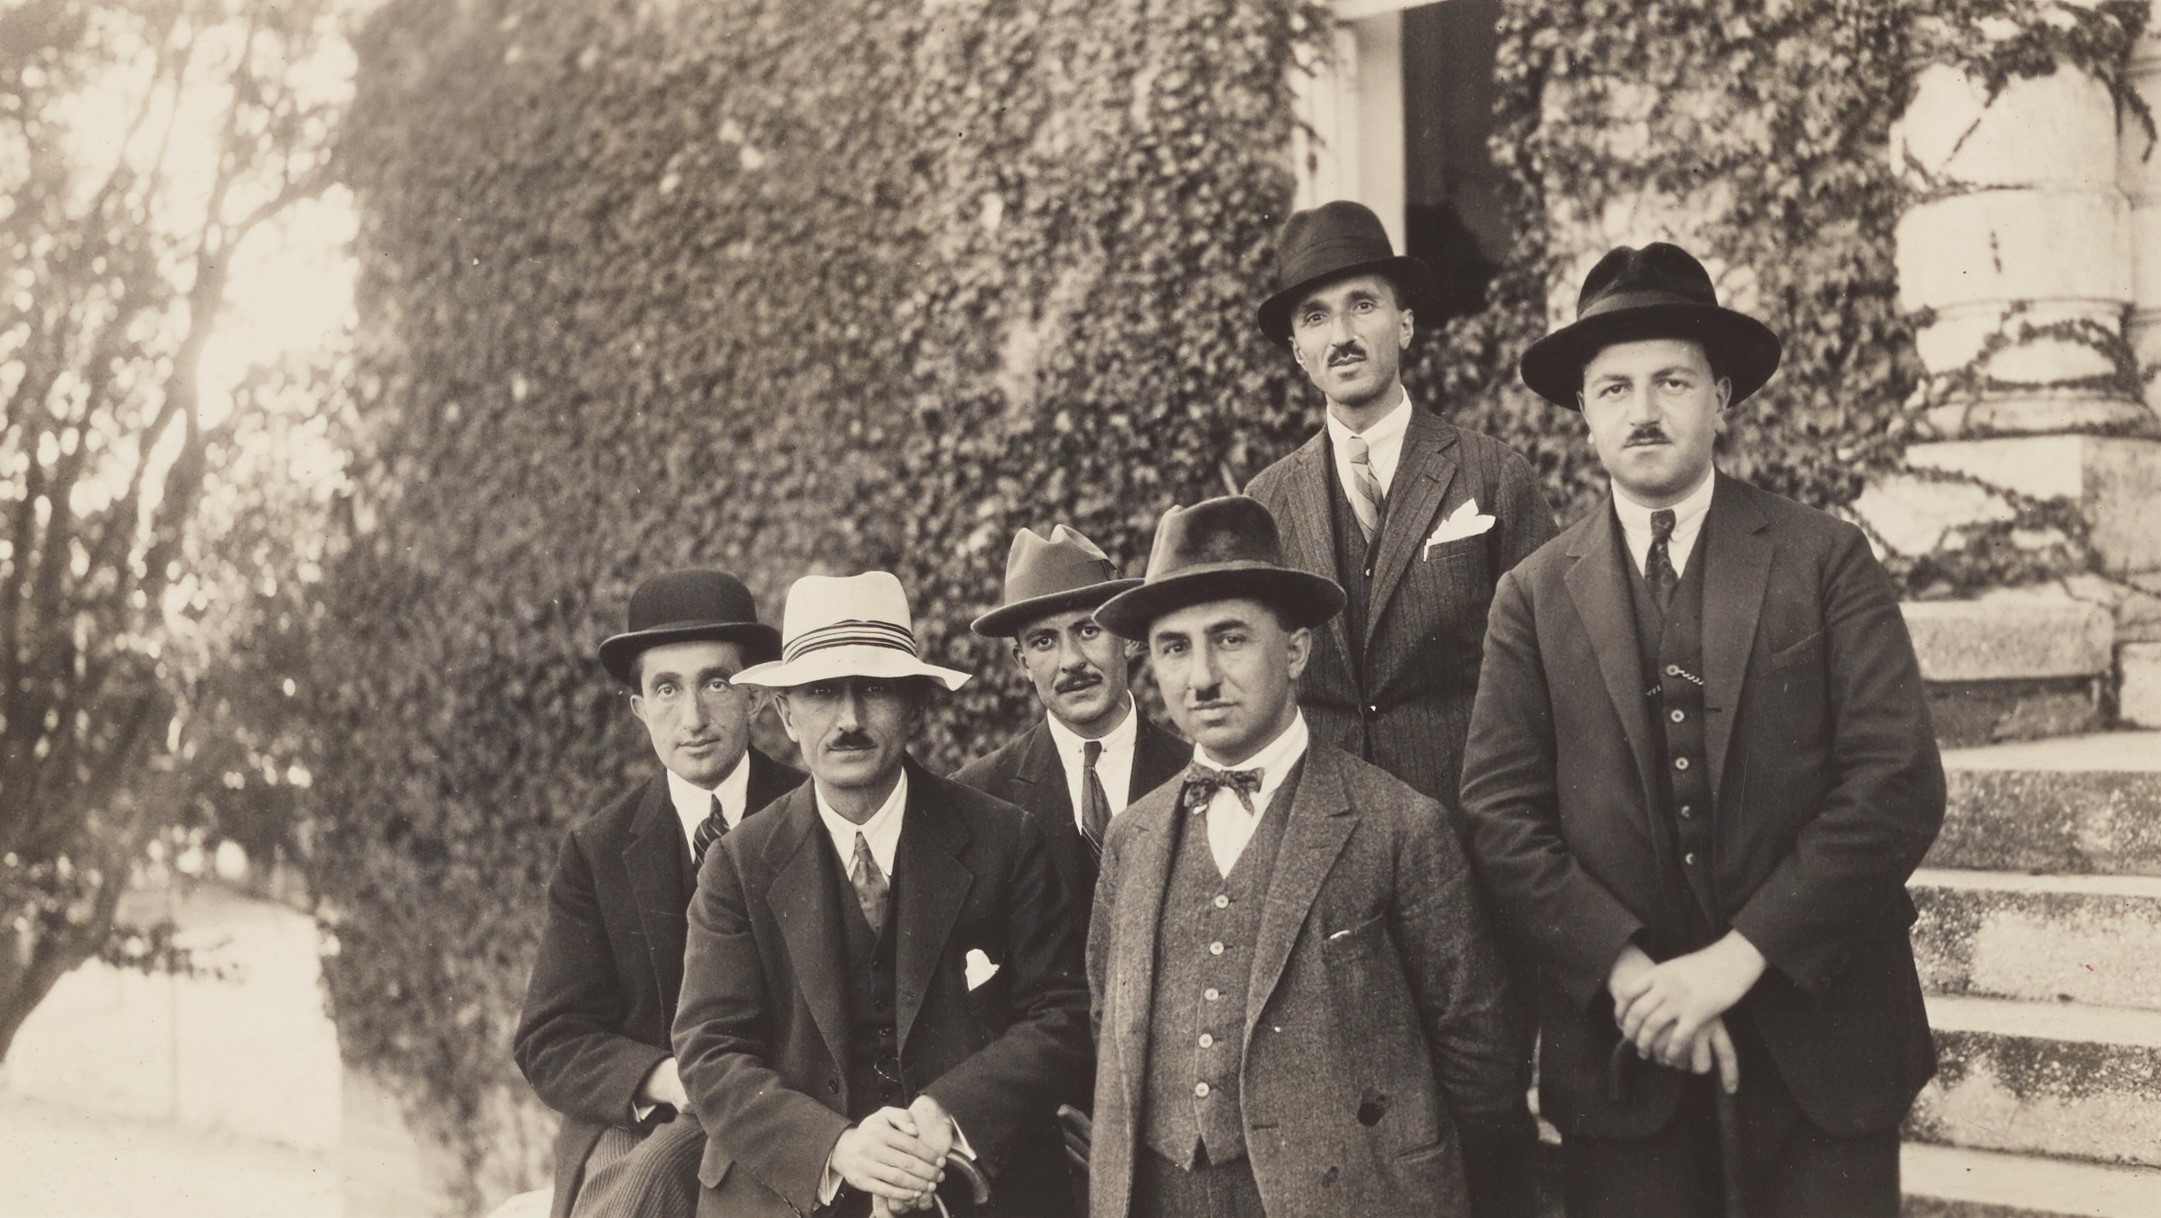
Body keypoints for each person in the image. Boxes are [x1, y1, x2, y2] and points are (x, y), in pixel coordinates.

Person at [1460, 243, 1946, 1218]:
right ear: (1584, 413)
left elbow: (1895, 783)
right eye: (1614, 388)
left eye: (1671, 380)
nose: (1643, 409)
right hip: (1626, 1047)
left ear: (1720, 397)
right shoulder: (1532, 595)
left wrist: (1731, 966)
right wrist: (1637, 978)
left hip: (1822, 1041)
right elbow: (1500, 817)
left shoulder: (1824, 558)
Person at [1084, 496, 1532, 1218]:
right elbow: (1109, 1023)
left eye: (1229, 639)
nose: (1199, 677)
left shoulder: (1398, 825)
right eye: (1173, 647)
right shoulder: (1131, 839)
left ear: (1294, 650)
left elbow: (1478, 1058)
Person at [673, 571, 1092, 1217]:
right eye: (821, 693)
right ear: (785, 712)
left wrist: (946, 1113)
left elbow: (1061, 1014)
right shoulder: (738, 863)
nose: (849, 720)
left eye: (874, 690)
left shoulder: (1003, 838)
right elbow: (710, 1050)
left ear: (916, 704)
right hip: (795, 1192)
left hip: (977, 1182)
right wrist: (838, 1148)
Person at [1244, 200, 1556, 816]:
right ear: (1299, 352)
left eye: (1363, 304)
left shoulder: (1494, 476)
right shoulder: (1266, 504)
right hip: (1320, 834)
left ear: (1406, 324)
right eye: (1315, 317)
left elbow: (1549, 677)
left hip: (1468, 832)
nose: (1342, 337)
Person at [515, 569, 805, 1218]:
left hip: (783, 1105)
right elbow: (550, 1036)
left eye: (717, 682)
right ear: (639, 708)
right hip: (644, 1118)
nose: (693, 717)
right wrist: (668, 1079)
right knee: (641, 1185)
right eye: (666, 689)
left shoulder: (808, 815)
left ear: (757, 694)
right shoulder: (598, 850)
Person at [955, 524, 1190, 897]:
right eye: (1044, 641)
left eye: (1088, 631)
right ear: (1023, 662)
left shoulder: (1193, 773)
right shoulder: (978, 796)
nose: (1071, 661)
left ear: (1126, 639)